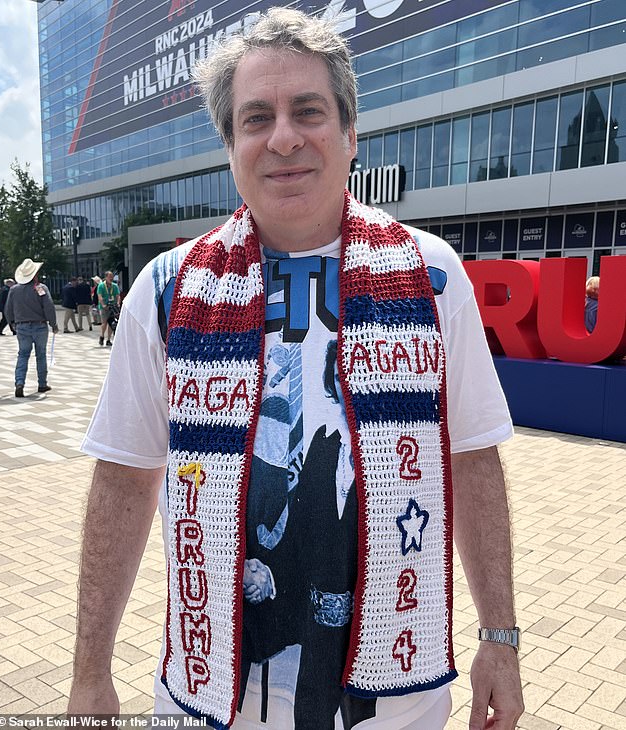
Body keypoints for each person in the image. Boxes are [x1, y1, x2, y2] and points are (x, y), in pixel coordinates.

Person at [69, 8, 523, 730]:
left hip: (395, 702)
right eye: (256, 118)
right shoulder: (165, 290)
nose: (283, 137)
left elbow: (470, 457)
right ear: (230, 145)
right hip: (209, 696)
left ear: (349, 133)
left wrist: (500, 638)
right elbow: (123, 480)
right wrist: (90, 676)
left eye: (307, 110)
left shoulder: (433, 278)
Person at [4, 258, 58, 397]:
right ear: (34, 274)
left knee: (23, 355)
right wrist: (53, 324)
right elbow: (49, 307)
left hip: (22, 326)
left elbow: (8, 309)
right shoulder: (40, 288)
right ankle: (42, 384)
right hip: (39, 325)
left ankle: (19, 382)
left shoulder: (14, 289)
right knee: (41, 355)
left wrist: (12, 323)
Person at [96, 271, 120, 346]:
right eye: (110, 277)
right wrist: (103, 304)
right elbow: (99, 296)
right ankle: (102, 336)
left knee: (111, 324)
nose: (111, 278)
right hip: (104, 307)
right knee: (104, 323)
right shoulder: (101, 286)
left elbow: (118, 295)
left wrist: (118, 303)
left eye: (112, 276)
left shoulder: (115, 286)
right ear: (106, 277)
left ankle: (109, 340)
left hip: (112, 306)